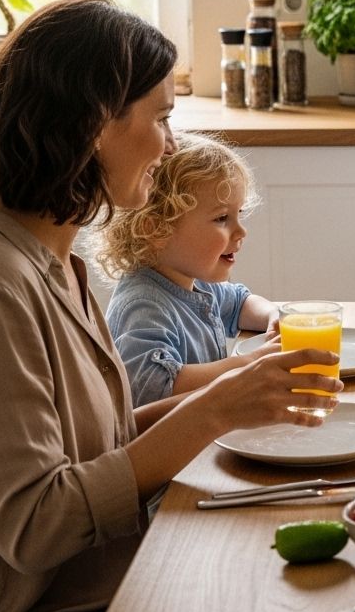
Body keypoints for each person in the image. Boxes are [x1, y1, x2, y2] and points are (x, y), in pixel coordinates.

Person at [0, 0, 340, 612]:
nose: (170, 142)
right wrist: (213, 409)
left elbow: (94, 444)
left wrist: (236, 400)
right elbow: (37, 527)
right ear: (97, 123)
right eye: (162, 117)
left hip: (78, 586)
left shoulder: (46, 259)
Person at [94, 132, 281, 407]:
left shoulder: (194, 282)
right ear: (157, 229)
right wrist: (247, 364)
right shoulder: (144, 305)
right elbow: (155, 386)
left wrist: (274, 316)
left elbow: (240, 303)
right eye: (221, 218)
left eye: (238, 215)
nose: (241, 231)